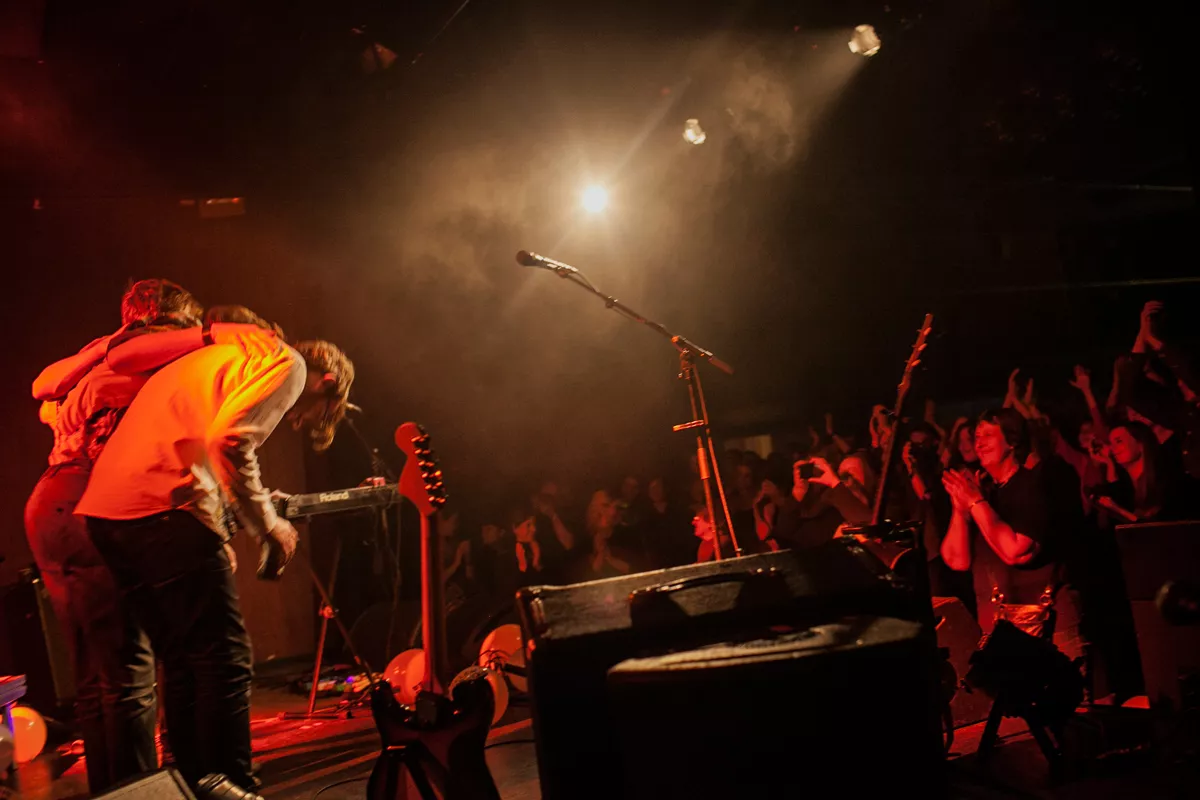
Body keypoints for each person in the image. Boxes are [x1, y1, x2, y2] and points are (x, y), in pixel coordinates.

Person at [75, 324, 353, 794]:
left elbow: (198, 443)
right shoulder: (287, 363)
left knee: (183, 661)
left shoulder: (222, 359)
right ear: (328, 383)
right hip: (160, 509)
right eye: (319, 410)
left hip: (108, 514)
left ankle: (193, 785)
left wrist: (232, 514)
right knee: (225, 660)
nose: (298, 418)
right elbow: (230, 441)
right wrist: (268, 525)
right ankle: (235, 786)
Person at [24, 279, 203, 793]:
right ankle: (139, 793)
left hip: (49, 502)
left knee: (95, 675)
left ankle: (111, 790)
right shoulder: (153, 359)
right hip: (91, 499)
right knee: (129, 672)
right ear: (176, 321)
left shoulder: (96, 357)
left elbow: (43, 394)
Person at [941, 409, 1082, 661]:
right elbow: (956, 560)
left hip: (1049, 626)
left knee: (1062, 687)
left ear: (1012, 441)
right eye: (977, 436)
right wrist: (959, 508)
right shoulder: (983, 492)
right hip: (999, 630)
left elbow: (1016, 552)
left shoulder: (1034, 484)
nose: (979, 443)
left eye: (988, 435)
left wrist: (975, 502)